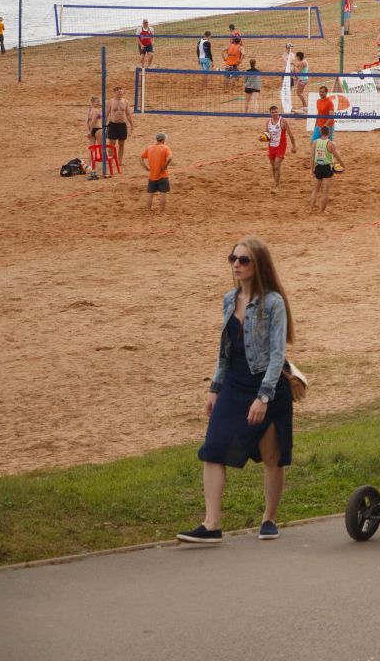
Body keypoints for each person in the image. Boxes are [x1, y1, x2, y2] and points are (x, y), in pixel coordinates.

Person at [178, 238, 295, 544]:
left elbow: (276, 354)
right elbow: (225, 351)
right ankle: (211, 524)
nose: (237, 265)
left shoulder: (273, 303)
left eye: (244, 260)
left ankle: (269, 518)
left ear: (259, 265)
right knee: (213, 447)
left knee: (272, 455)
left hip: (265, 383)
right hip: (234, 382)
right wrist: (215, 389)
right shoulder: (229, 299)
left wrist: (264, 397)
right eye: (233, 259)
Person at [262, 104, 296, 189]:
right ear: (270, 113)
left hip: (281, 145)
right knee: (273, 167)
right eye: (273, 112)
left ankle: (277, 186)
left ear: (278, 112)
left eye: (276, 112)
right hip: (271, 146)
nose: (275, 114)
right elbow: (266, 135)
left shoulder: (283, 121)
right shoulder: (268, 122)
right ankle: (276, 183)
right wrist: (262, 138)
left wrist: (294, 146)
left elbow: (290, 134)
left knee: (277, 166)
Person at [308, 132, 341, 214]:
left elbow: (312, 156)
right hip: (327, 167)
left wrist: (312, 169)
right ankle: (322, 211)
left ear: (320, 133)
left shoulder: (315, 142)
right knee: (325, 191)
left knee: (315, 190)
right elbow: (337, 156)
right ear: (329, 134)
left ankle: (311, 209)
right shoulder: (331, 143)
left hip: (318, 166)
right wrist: (343, 165)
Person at [142, 131, 172, 214]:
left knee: (150, 194)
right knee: (163, 194)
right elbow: (170, 158)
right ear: (164, 139)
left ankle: (148, 212)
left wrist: (146, 168)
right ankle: (161, 212)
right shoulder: (165, 148)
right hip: (162, 175)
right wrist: (165, 166)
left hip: (152, 175)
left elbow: (141, 158)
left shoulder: (150, 148)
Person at [104, 85, 133, 169]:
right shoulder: (110, 102)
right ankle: (110, 160)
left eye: (121, 92)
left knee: (121, 144)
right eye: (118, 92)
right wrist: (104, 125)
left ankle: (120, 161)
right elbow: (106, 114)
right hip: (113, 124)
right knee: (112, 144)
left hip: (122, 124)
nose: (120, 94)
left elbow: (128, 114)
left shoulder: (125, 102)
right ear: (114, 93)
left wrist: (131, 124)